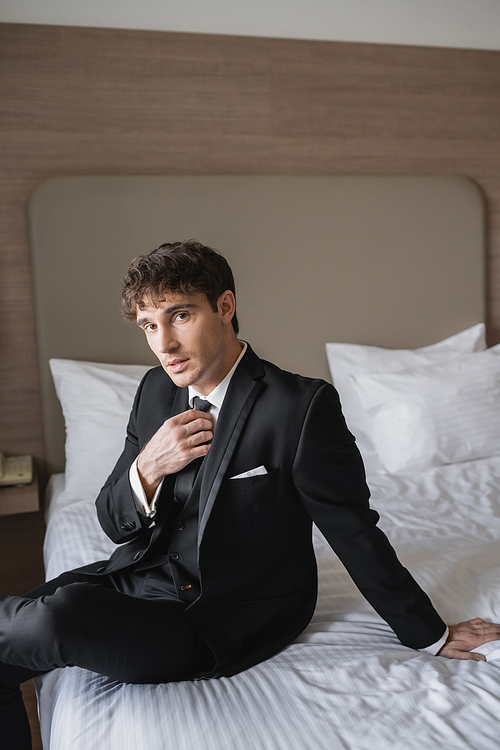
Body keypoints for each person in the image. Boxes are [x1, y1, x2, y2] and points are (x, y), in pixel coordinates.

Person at [1, 240, 499, 748]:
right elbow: (112, 522)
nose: (164, 344)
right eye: (149, 325)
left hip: (217, 618)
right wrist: (148, 468)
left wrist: (430, 634)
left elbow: (353, 530)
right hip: (135, 577)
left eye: (179, 316)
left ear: (224, 306)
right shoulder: (154, 389)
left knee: (50, 622)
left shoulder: (300, 407)